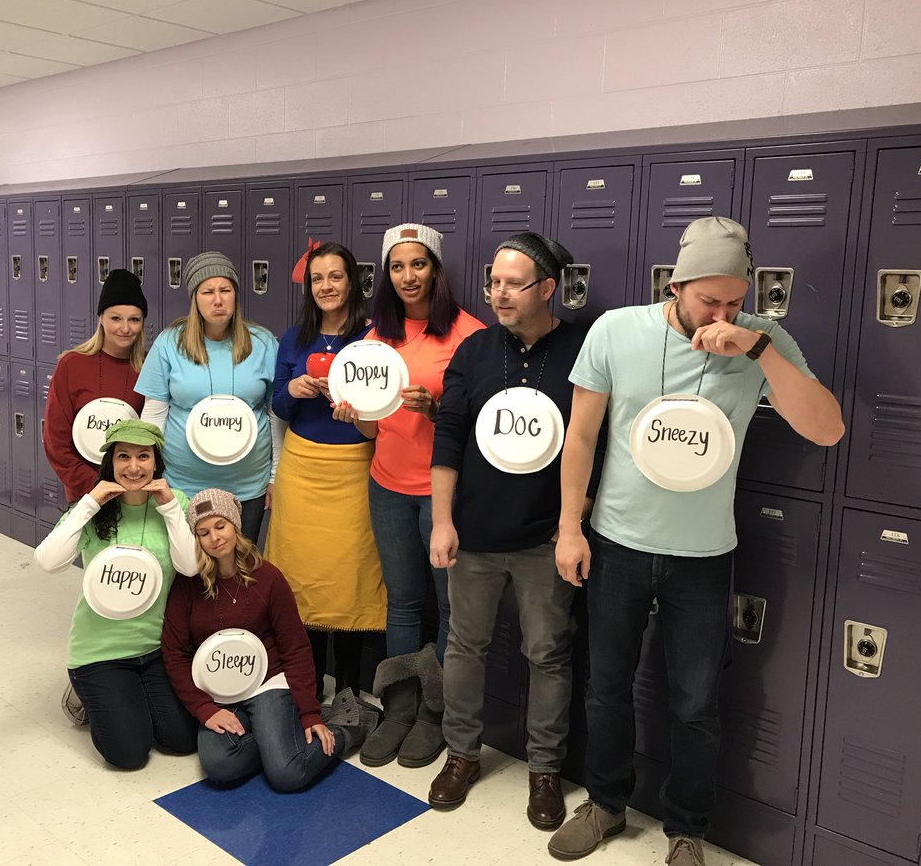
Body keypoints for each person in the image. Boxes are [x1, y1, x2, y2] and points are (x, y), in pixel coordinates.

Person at [549, 217, 844, 865]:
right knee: (606, 687)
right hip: (618, 543)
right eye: (709, 300)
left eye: (734, 300)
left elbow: (826, 429)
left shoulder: (761, 339)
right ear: (675, 285)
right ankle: (604, 804)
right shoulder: (616, 331)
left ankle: (687, 829)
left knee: (696, 703)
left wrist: (758, 348)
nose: (721, 312)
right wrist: (570, 527)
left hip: (704, 554)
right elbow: (580, 437)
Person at [427, 233, 588, 831]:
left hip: (545, 538)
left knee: (547, 653)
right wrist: (443, 521)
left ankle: (544, 770)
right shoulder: (473, 351)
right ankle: (462, 754)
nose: (497, 293)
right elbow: (448, 434)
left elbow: (594, 439)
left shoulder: (580, 348)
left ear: (546, 288)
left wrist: (577, 518)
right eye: (492, 281)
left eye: (511, 283)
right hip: (474, 534)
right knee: (465, 645)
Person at [333, 223, 483, 770]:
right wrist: (358, 416)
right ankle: (399, 708)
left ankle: (436, 716)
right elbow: (373, 433)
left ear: (436, 269)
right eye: (397, 267)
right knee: (402, 601)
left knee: (448, 607)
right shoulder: (376, 339)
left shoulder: (470, 335)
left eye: (417, 264)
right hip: (388, 487)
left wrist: (435, 411)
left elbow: (486, 430)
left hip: (444, 494)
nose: (407, 276)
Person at [161, 489, 376, 791]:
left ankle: (347, 727)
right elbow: (174, 653)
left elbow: (295, 647)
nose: (215, 538)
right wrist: (204, 709)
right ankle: (280, 743)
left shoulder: (268, 578)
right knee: (220, 766)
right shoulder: (187, 586)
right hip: (220, 691)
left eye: (220, 526)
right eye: (203, 532)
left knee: (287, 775)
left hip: (268, 683)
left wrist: (309, 712)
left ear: (235, 526)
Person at [34, 419, 200, 770]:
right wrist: (90, 502)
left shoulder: (175, 503)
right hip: (100, 653)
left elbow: (189, 568)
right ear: (110, 462)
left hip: (154, 650)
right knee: (129, 755)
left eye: (144, 456)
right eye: (123, 456)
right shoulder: (92, 508)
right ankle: (90, 696)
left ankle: (128, 698)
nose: (134, 466)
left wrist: (170, 507)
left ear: (156, 462)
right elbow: (48, 562)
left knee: (181, 740)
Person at [266, 241, 386, 699]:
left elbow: (385, 412)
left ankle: (351, 690)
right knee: (302, 576)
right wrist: (294, 388)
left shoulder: (374, 338)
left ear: (352, 281)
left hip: (353, 470)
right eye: (318, 279)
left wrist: (360, 415)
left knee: (350, 576)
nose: (326, 286)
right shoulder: (293, 338)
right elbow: (277, 404)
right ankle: (310, 684)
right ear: (307, 285)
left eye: (335, 276)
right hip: (301, 469)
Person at [42, 268, 149, 725]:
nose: (125, 328)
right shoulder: (72, 365)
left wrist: (133, 490)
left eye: (134, 319)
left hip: (138, 499)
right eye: (116, 317)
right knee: (101, 587)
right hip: (90, 500)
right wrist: (93, 491)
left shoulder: (148, 370)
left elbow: (153, 441)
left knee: (143, 583)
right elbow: (56, 439)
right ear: (100, 318)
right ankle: (90, 679)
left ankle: (138, 675)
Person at [136, 252, 280, 544]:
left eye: (225, 290)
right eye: (208, 291)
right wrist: (145, 472)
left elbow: (276, 414)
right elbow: (153, 415)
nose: (218, 300)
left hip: (248, 485)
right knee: (188, 570)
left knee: (239, 571)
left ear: (235, 296)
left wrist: (276, 476)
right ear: (195, 298)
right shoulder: (169, 342)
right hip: (183, 484)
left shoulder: (264, 343)